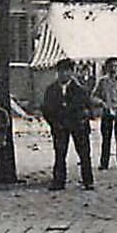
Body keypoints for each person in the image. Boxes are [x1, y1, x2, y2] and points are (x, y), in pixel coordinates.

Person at [40, 58, 96, 191]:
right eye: (60, 71)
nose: (63, 74)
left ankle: (88, 180)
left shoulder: (80, 89)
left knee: (84, 153)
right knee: (60, 154)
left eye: (66, 71)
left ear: (72, 72)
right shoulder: (51, 90)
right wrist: (53, 123)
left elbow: (87, 108)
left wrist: (82, 120)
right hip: (59, 126)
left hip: (78, 126)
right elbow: (46, 109)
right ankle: (59, 181)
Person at [93, 56, 117, 170]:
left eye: (115, 66)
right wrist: (102, 103)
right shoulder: (102, 81)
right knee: (106, 138)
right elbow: (93, 96)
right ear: (107, 67)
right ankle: (104, 162)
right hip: (107, 113)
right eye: (111, 66)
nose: (113, 68)